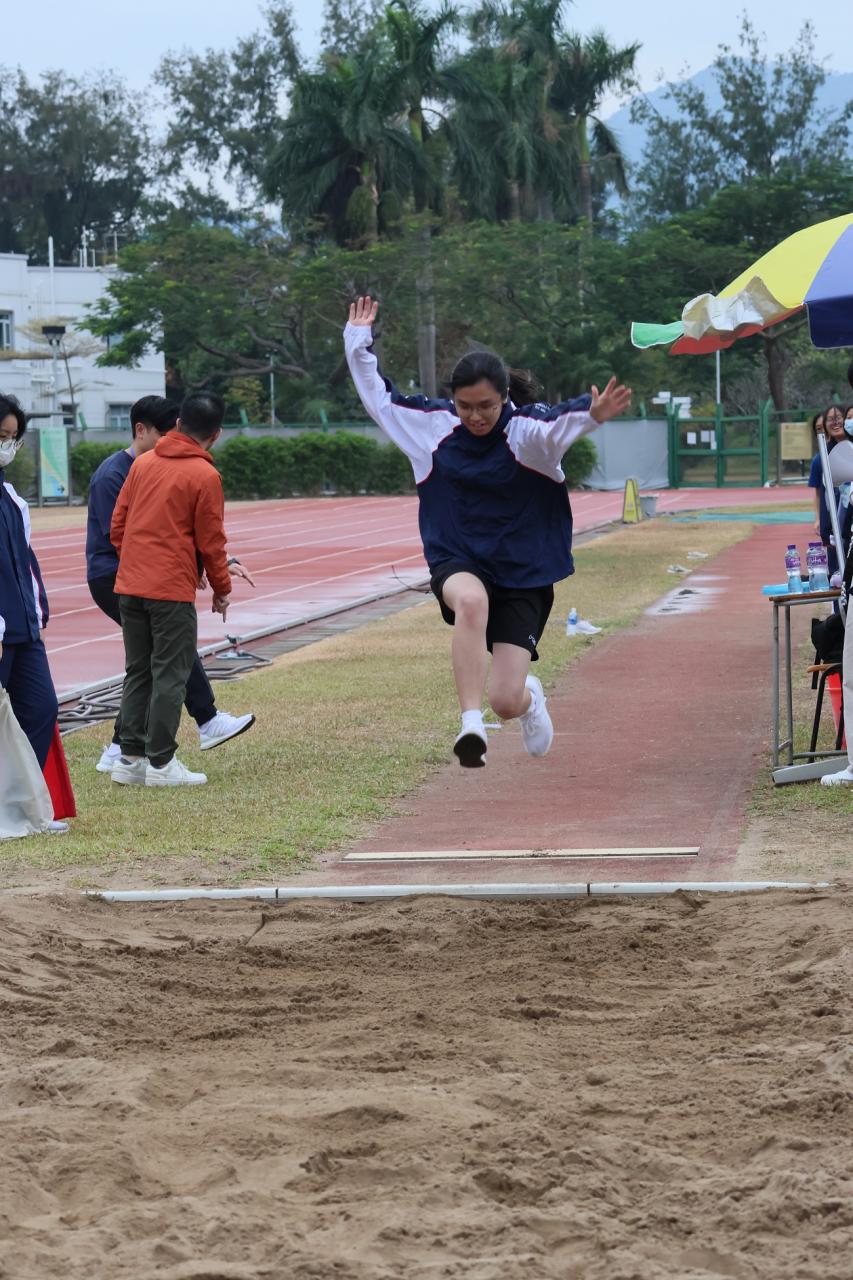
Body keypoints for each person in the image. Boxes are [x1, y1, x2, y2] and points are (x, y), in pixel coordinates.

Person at [343, 295, 631, 768]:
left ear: (505, 398)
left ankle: (528, 701)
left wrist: (591, 415)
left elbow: (557, 426)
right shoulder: (431, 428)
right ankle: (470, 724)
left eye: (486, 407)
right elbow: (378, 397)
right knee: (471, 601)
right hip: (459, 558)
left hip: (524, 572)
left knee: (506, 700)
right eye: (465, 406)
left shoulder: (527, 433)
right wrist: (357, 340)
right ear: (452, 399)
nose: (475, 417)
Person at [87, 395, 255, 773]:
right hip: (167, 588)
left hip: (130, 585)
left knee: (139, 670)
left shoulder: (142, 465)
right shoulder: (204, 475)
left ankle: (129, 758)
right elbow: (211, 541)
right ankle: (161, 762)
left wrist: (136, 561)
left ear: (178, 425)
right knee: (170, 673)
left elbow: (118, 527)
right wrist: (221, 589)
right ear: (216, 434)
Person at [0, 394, 67, 831]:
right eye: (1, 435)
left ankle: (21, 808)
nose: (7, 445)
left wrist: (37, 614)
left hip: (24, 631)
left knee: (41, 708)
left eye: (12, 438)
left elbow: (26, 562)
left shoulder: (11, 498)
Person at [808, 404, 847, 574]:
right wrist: (820, 521)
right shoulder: (821, 458)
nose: (835, 422)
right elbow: (820, 493)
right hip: (834, 526)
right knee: (837, 574)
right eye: (830, 419)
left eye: (839, 418)